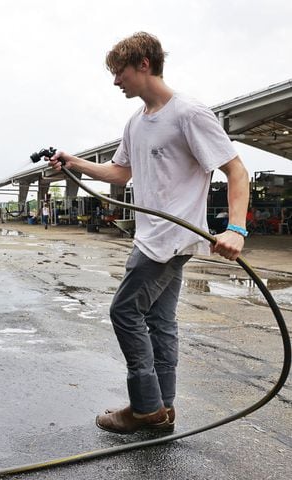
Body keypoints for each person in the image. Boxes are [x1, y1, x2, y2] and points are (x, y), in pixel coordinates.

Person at [47, 32, 249, 434]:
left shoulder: (189, 113)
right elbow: (120, 173)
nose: (115, 81)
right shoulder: (136, 122)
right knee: (160, 320)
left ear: (143, 64)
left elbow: (236, 170)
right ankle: (163, 407)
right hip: (154, 236)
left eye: (118, 72)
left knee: (124, 311)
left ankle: (145, 407)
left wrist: (237, 229)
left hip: (169, 238)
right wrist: (75, 163)